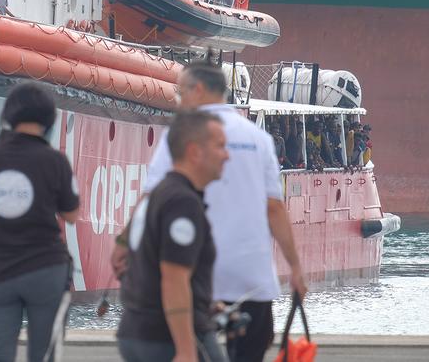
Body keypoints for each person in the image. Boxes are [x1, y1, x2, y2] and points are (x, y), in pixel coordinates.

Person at [113, 61, 308, 362]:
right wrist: (295, 267)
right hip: (249, 278)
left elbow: (152, 196)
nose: (180, 102)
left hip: (193, 273)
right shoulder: (259, 139)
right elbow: (275, 208)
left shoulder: (182, 137)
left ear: (199, 90)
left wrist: (124, 243)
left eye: (181, 94)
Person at [0, 83, 80, 362]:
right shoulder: (55, 160)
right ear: (48, 119)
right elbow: (71, 214)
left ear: (8, 116)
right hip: (45, 269)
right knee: (44, 355)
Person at [117, 111, 229, 362]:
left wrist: (203, 301)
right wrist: (186, 350)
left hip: (137, 330)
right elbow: (173, 278)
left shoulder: (159, 194)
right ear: (194, 152)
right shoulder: (182, 203)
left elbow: (151, 267)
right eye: (220, 146)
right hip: (166, 338)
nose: (227, 155)